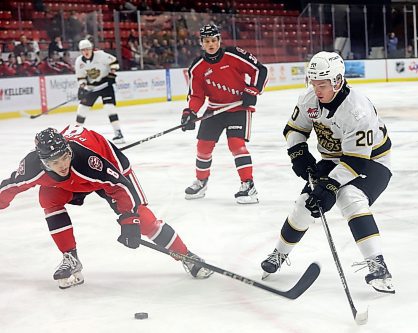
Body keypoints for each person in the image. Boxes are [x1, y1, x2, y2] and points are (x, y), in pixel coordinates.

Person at [0, 125, 213, 289]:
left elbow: (121, 186)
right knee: (48, 199)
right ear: (43, 162)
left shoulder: (86, 160)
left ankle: (187, 256)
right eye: (55, 162)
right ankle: (70, 257)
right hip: (72, 182)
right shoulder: (30, 167)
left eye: (64, 157)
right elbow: (8, 188)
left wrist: (130, 220)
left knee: (144, 220)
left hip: (110, 170)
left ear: (68, 150)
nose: (62, 165)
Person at [260, 51, 395, 294]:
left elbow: (356, 162)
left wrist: (329, 186)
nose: (317, 89)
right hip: (334, 159)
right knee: (305, 203)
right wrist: (298, 153)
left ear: (338, 81)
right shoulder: (309, 99)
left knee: (350, 198)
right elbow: (294, 129)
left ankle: (379, 267)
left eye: (322, 84)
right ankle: (279, 253)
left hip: (372, 161)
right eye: (313, 83)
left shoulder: (357, 111)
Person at [181, 24, 268, 204]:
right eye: (207, 41)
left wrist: (252, 91)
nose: (211, 44)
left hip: (238, 108)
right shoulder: (197, 67)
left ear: (219, 41)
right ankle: (201, 181)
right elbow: (197, 95)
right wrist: (190, 112)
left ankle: (248, 185)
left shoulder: (234, 54)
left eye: (214, 40)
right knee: (203, 147)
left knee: (236, 144)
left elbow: (260, 70)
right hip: (214, 109)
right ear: (202, 44)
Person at [75, 39, 126, 144]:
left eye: (88, 49)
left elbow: (114, 62)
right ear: (81, 51)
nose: (86, 52)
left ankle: (118, 133)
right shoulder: (79, 61)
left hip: (105, 86)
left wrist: (112, 75)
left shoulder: (101, 55)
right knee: (82, 109)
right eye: (83, 50)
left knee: (109, 108)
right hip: (91, 88)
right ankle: (75, 133)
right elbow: (81, 77)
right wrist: (82, 87)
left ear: (91, 49)